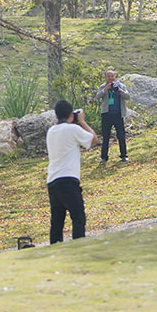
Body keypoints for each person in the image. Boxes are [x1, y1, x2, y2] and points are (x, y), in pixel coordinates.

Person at [46, 99, 99, 244]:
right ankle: (78, 247)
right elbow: (94, 139)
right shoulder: (73, 129)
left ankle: (55, 249)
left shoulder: (51, 131)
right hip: (68, 179)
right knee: (78, 217)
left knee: (57, 221)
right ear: (71, 114)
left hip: (52, 181)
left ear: (56, 115)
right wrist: (82, 121)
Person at [95, 69, 129, 162]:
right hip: (106, 114)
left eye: (112, 76)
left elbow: (127, 97)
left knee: (121, 136)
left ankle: (124, 155)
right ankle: (104, 157)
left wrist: (120, 90)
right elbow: (97, 97)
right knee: (105, 136)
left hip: (118, 114)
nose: (110, 78)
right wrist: (105, 90)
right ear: (105, 78)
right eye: (108, 76)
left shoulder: (121, 86)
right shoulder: (102, 86)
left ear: (115, 77)